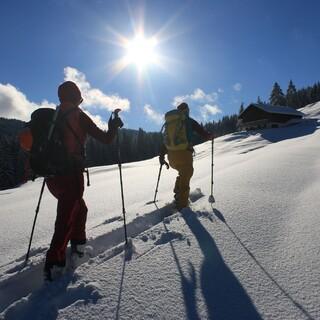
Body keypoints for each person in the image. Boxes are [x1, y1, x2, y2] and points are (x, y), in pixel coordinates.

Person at [44, 81, 123, 281]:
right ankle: (54, 264)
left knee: (79, 209)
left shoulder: (53, 116)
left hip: (51, 176)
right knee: (66, 218)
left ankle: (78, 245)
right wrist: (113, 125)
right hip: (71, 174)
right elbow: (106, 139)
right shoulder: (78, 115)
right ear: (76, 95)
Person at [159, 102, 214, 210]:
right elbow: (202, 132)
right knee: (186, 177)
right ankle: (182, 206)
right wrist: (210, 136)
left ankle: (177, 194)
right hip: (184, 154)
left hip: (171, 157)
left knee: (182, 174)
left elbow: (165, 141)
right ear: (187, 110)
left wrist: (161, 157)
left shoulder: (170, 123)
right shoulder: (188, 121)